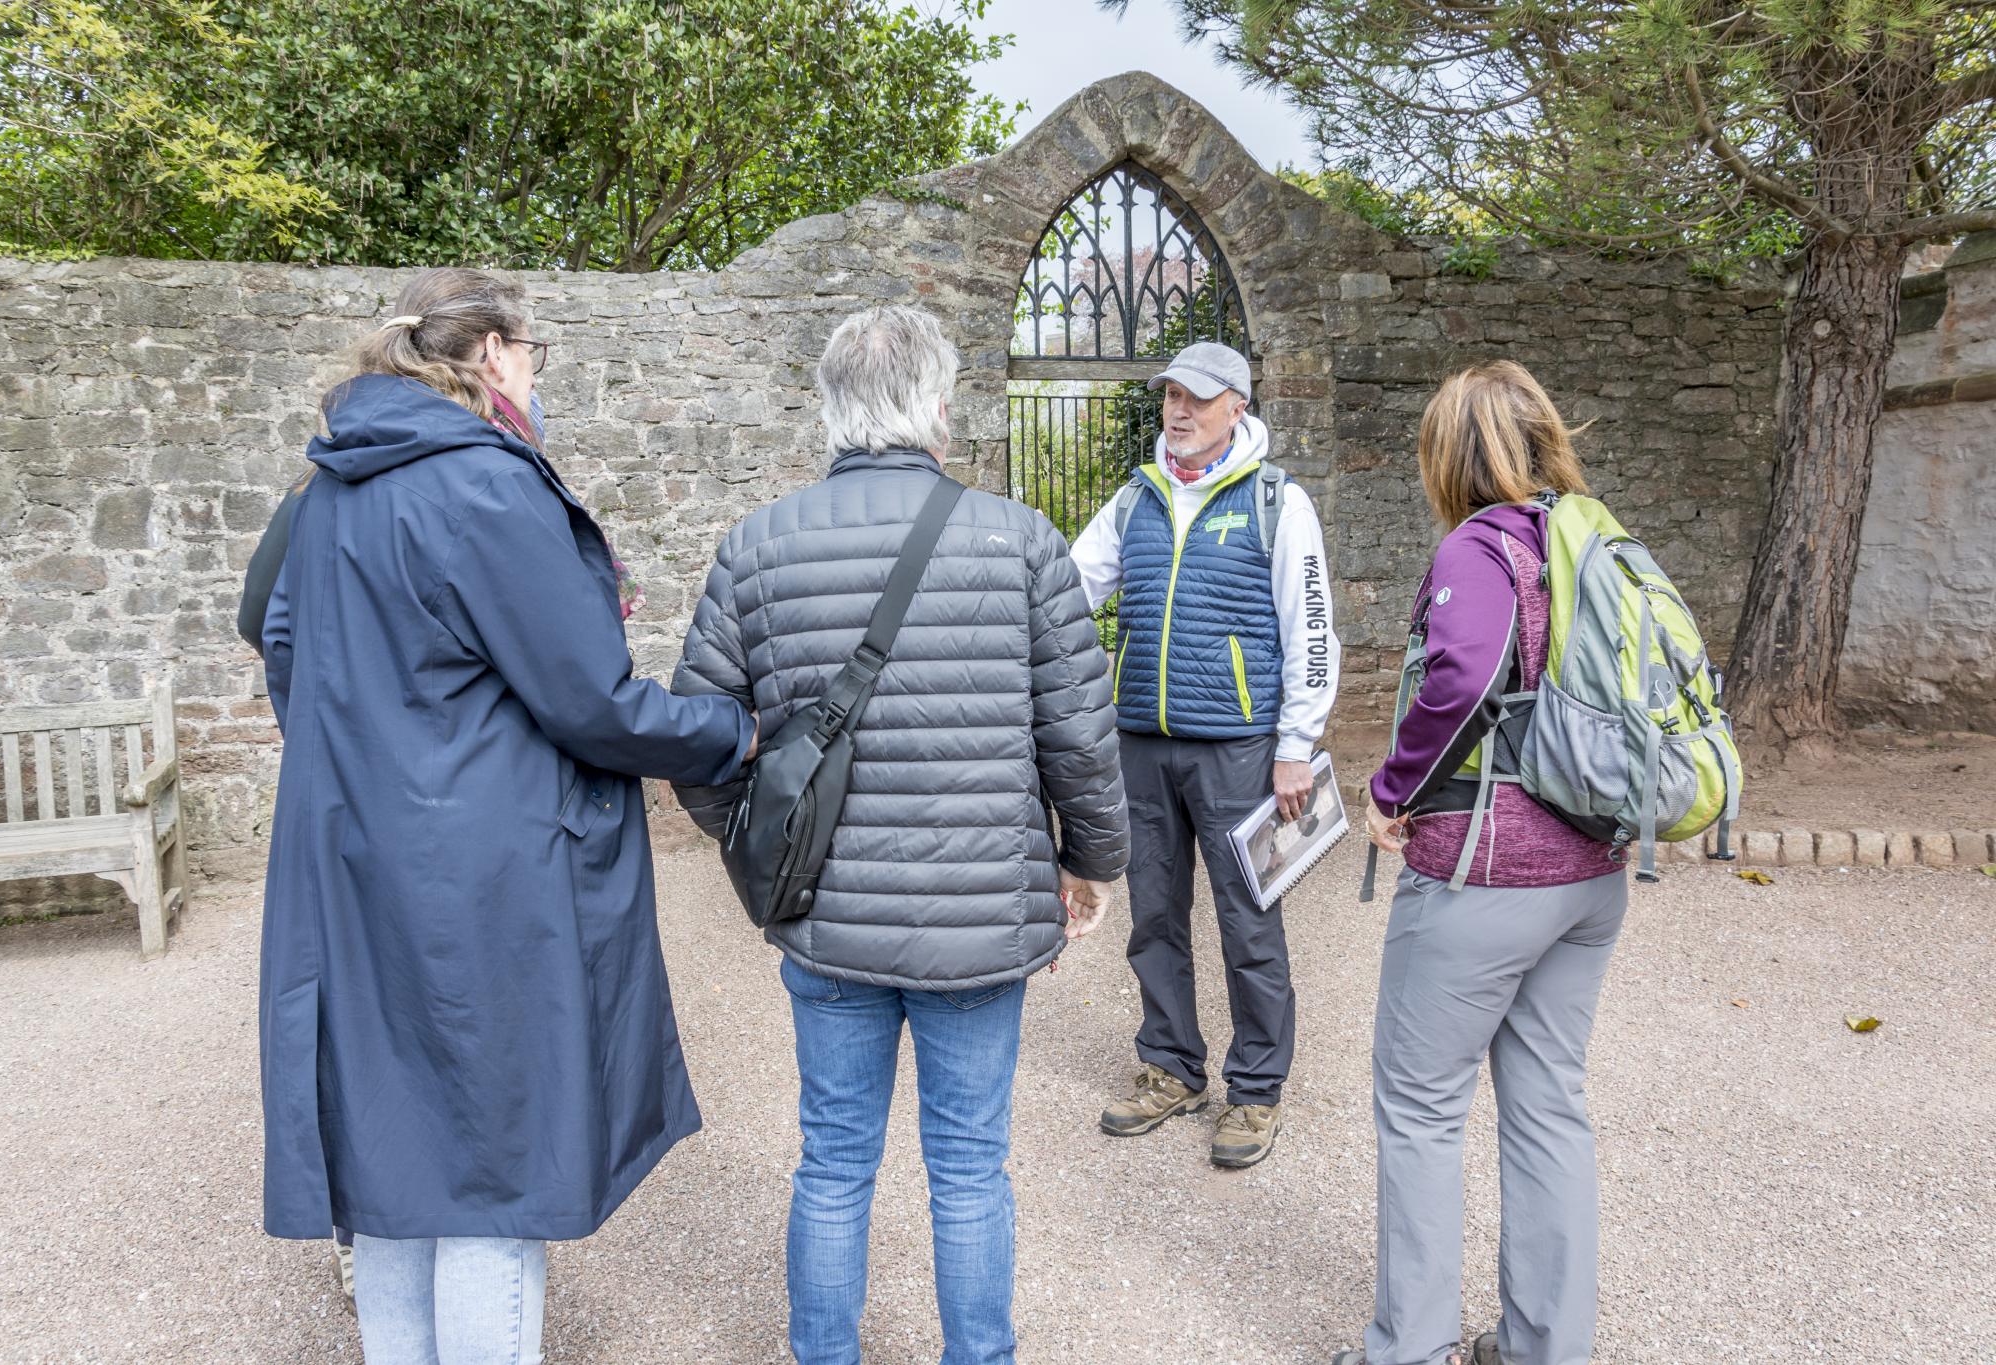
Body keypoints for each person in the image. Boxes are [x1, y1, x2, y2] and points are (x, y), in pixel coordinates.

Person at [257, 266, 756, 1364]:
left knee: (393, 1168)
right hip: (478, 880)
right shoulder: (484, 484)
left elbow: (281, 643)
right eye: (535, 352)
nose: (537, 373)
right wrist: (729, 733)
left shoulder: (329, 486)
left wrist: (372, 762)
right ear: (490, 352)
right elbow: (591, 701)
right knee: (492, 1171)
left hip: (351, 859)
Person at [671, 304, 1128, 1365]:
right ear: (935, 406)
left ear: (830, 412)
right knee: (970, 1167)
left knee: (832, 1163)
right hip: (982, 917)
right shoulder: (1020, 542)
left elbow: (696, 738)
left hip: (827, 917)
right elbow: (1080, 740)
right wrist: (1086, 863)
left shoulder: (755, 547)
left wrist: (755, 856)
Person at [1335, 361, 1629, 1365]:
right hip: (1590, 871)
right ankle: (1544, 1345)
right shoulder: (1596, 543)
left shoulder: (1479, 545)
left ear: (1448, 455)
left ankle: (1405, 1350)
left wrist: (1387, 794)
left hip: (1484, 871)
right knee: (1548, 1104)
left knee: (1418, 1111)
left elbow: (1459, 675)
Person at [1069, 340, 1340, 1169]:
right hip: (1143, 744)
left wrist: (1297, 745)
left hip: (1239, 750)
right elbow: (1069, 590)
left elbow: (1314, 633)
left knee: (1248, 919)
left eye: (1196, 397)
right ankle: (1171, 1065)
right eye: (1170, 397)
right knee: (1154, 914)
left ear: (1238, 408)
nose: (1178, 411)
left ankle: (1255, 1089)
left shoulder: (1276, 502)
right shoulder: (1136, 498)